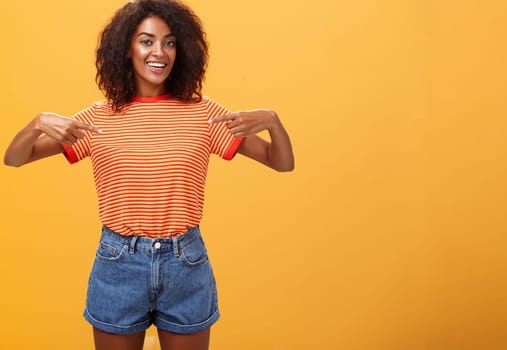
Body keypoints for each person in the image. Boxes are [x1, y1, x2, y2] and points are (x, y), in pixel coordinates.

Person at [4, 0, 294, 349]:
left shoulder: (204, 114)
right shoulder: (99, 117)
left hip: (185, 262)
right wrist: (37, 123)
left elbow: (281, 162)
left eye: (169, 42)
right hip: (118, 262)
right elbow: (15, 158)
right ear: (126, 48)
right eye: (147, 41)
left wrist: (274, 122)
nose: (160, 52)